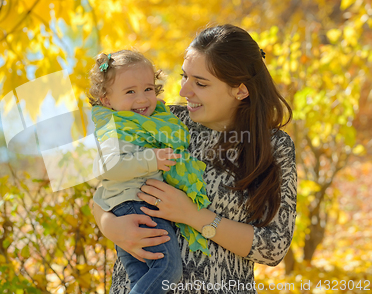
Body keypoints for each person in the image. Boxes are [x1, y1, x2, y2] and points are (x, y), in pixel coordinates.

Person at [91, 25, 297, 294]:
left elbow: (274, 246)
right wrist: (111, 226)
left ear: (240, 91)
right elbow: (101, 180)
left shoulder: (273, 146)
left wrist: (193, 215)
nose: (184, 90)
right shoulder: (162, 120)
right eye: (184, 76)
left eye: (200, 83)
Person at [88, 50, 211, 294]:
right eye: (130, 91)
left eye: (148, 89)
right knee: (167, 270)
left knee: (140, 278)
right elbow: (107, 169)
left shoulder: (153, 120)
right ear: (106, 100)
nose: (142, 99)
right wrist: (150, 160)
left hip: (132, 205)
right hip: (133, 205)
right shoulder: (112, 128)